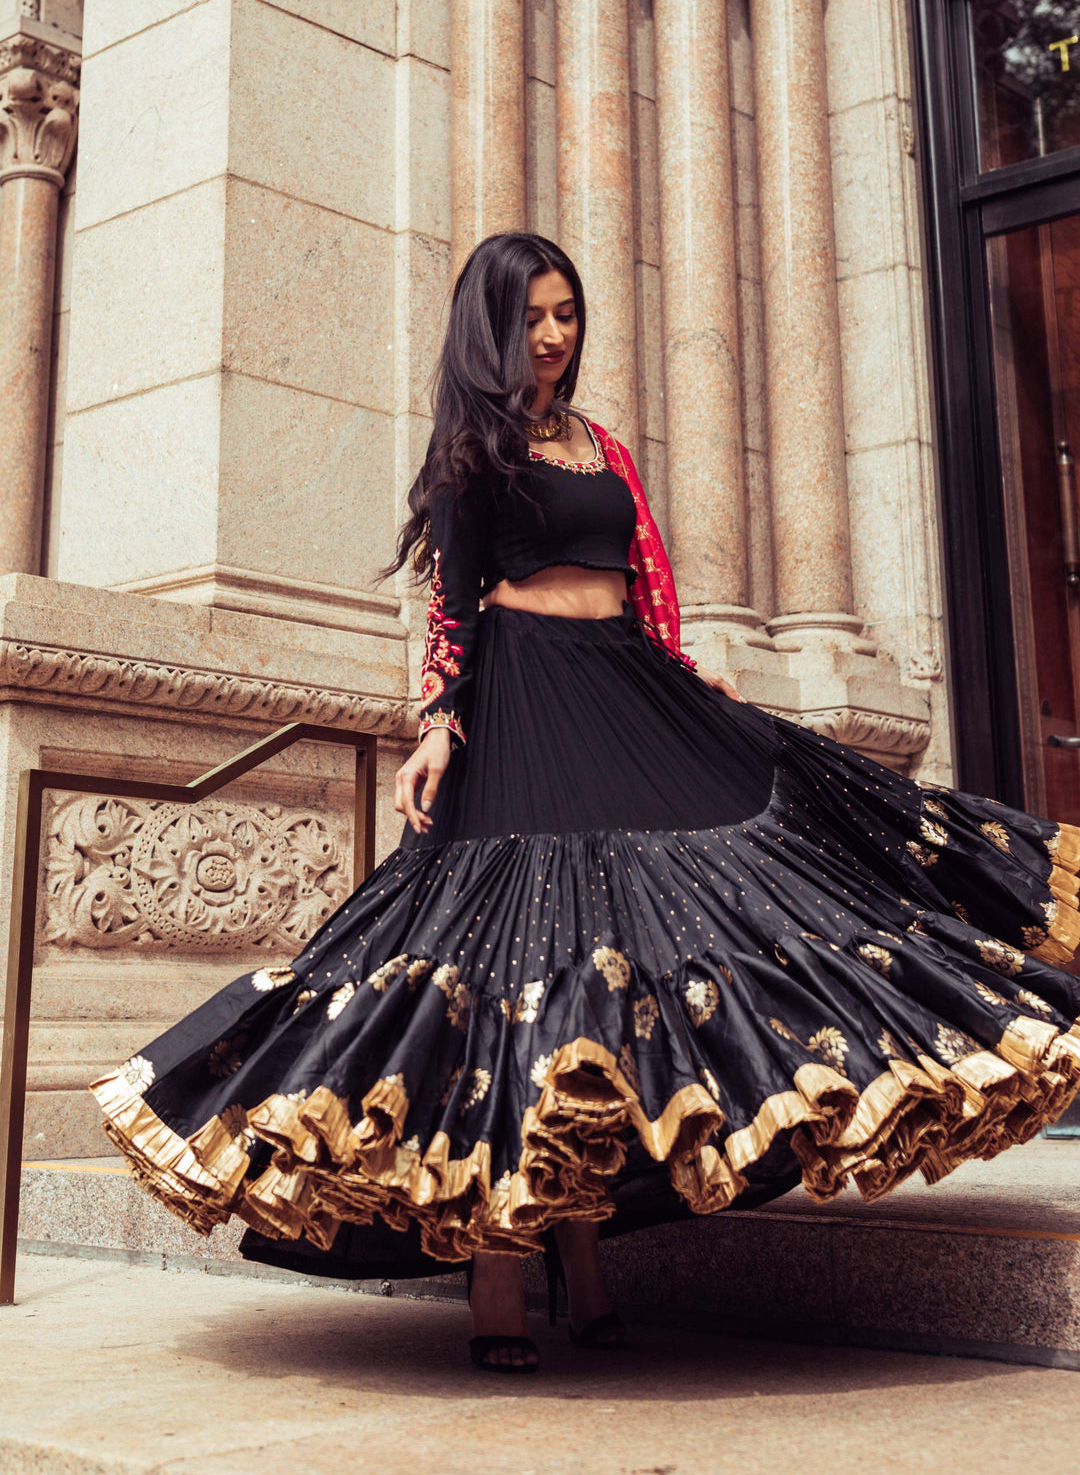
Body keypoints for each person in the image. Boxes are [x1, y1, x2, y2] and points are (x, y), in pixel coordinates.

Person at [92, 231, 1080, 1375]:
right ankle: (505, 1282)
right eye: (534, 318)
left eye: (567, 312)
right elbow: (452, 609)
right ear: (492, 329)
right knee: (522, 967)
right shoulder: (474, 451)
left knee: (636, 953)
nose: (556, 334)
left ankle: (589, 1260)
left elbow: (647, 577)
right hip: (524, 703)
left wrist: (684, 672)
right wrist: (436, 727)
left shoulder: (601, 444)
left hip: (628, 688)